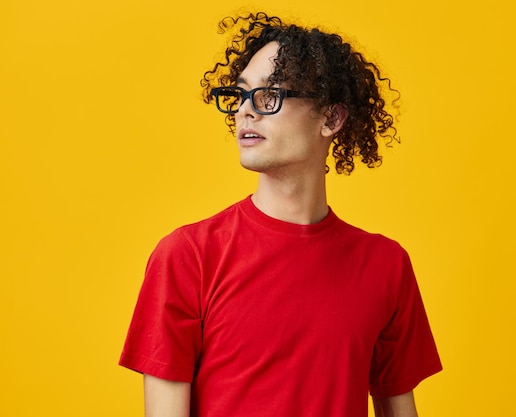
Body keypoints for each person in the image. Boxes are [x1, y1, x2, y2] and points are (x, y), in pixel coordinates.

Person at [119, 12, 442, 417]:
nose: (245, 112)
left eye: (269, 96)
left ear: (331, 118)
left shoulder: (386, 265)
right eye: (239, 95)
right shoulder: (188, 257)